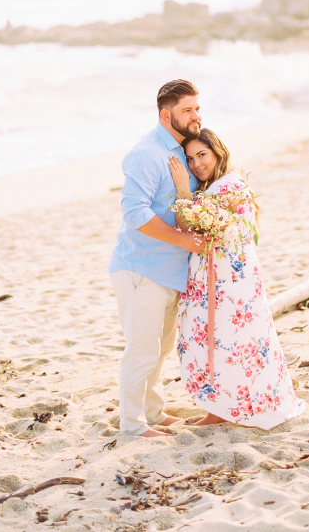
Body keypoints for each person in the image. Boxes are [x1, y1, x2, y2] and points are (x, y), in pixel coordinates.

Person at [167, 128, 305, 428]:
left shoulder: (227, 186)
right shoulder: (219, 184)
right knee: (227, 337)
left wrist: (182, 189)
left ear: (217, 151)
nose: (195, 165)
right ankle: (222, 408)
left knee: (223, 337)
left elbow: (186, 225)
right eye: (189, 159)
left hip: (226, 278)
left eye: (201, 155)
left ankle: (220, 411)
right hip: (226, 275)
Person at [107, 80, 213, 437]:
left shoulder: (185, 150)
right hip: (141, 268)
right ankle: (132, 424)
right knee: (142, 349)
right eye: (188, 110)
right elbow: (134, 212)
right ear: (167, 115)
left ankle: (153, 412)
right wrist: (185, 239)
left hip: (171, 270)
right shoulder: (147, 153)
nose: (196, 115)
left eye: (197, 108)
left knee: (162, 348)